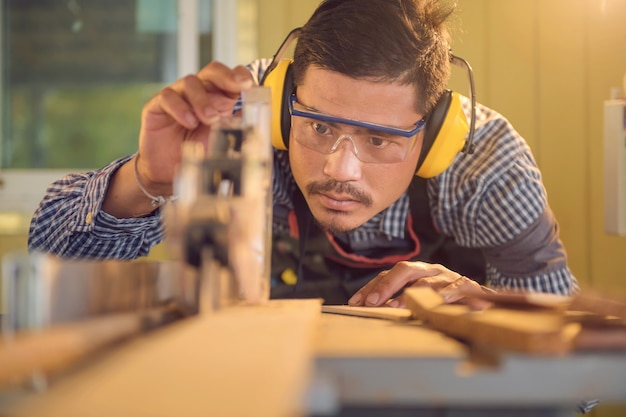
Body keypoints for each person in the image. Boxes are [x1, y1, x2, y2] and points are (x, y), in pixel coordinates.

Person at [28, 0, 579, 306]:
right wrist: (150, 179)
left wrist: (488, 310)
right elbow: (47, 258)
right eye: (317, 125)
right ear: (288, 105)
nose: (339, 169)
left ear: (434, 135)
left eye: (379, 140)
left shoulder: (484, 164)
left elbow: (576, 373)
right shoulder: (238, 119)